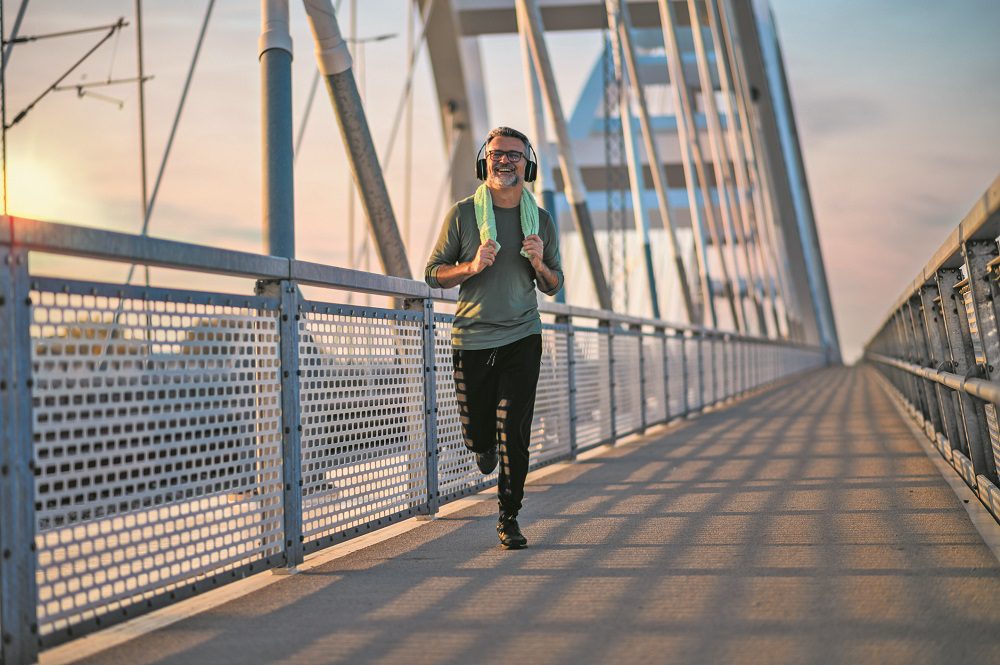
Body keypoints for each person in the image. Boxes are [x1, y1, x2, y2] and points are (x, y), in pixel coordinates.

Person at [425, 126, 564, 549]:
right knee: (479, 437)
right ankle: (482, 447)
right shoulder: (463, 214)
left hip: (523, 336)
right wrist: (469, 267)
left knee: (514, 430)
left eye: (515, 155)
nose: (506, 161)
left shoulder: (539, 220)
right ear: (485, 161)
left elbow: (554, 285)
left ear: (529, 165)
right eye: (498, 154)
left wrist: (539, 263)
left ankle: (509, 517)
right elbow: (433, 274)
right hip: (471, 339)